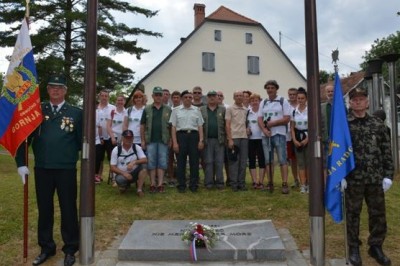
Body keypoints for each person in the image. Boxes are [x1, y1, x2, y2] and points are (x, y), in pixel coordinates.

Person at [16, 75, 81, 266]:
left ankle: (70, 248)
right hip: (43, 168)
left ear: (65, 91)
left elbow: (79, 141)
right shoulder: (36, 111)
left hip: (66, 169)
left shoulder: (76, 113)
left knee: (68, 209)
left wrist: (67, 155)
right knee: (45, 210)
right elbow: (24, 137)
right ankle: (46, 248)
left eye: (60, 87)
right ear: (47, 90)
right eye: (52, 87)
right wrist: (21, 162)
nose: (56, 90)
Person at [343, 87, 394, 266]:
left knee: (378, 214)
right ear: (350, 102)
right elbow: (336, 150)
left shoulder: (378, 125)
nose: (358, 102)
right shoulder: (344, 125)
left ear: (367, 102)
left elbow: (386, 151)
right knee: (353, 214)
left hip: (374, 178)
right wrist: (339, 174)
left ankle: (376, 246)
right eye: (354, 99)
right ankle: (354, 248)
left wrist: (388, 175)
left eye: (361, 99)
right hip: (353, 178)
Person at [257, 80, 291, 194]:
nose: (270, 90)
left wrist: (273, 123)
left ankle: (285, 183)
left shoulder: (283, 101)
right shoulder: (263, 102)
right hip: (266, 135)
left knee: (282, 159)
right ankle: (270, 182)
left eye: (272, 88)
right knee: (268, 160)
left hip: (279, 134)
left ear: (276, 89)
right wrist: (264, 129)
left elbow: (287, 118)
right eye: (268, 88)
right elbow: (260, 118)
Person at [170, 90, 204, 193]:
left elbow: (200, 126)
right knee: (181, 162)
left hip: (194, 137)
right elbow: (173, 127)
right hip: (181, 136)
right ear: (182, 99)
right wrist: (175, 142)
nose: (188, 99)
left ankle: (194, 185)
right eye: (186, 97)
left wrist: (201, 140)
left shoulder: (197, 110)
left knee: (194, 162)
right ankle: (181, 185)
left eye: (190, 97)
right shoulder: (176, 110)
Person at [140, 86, 171, 193]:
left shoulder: (168, 109)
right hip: (150, 140)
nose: (158, 97)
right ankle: (153, 183)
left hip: (163, 140)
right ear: (153, 96)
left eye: (160, 95)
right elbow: (142, 125)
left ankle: (160, 183)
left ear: (162, 96)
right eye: (156, 95)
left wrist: (170, 139)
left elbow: (171, 126)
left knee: (162, 162)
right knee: (151, 162)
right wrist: (143, 140)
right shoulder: (147, 109)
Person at [200, 90, 226, 189]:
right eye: (210, 96)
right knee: (209, 162)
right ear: (207, 98)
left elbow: (225, 125)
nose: (211, 98)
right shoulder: (202, 109)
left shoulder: (222, 109)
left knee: (219, 162)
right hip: (207, 140)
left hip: (219, 140)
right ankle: (209, 183)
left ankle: (220, 183)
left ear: (216, 97)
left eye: (213, 96)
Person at [110, 130, 147, 196]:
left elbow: (145, 159)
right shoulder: (116, 150)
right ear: (122, 138)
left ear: (133, 138)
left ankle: (139, 190)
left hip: (134, 173)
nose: (128, 140)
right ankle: (124, 186)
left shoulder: (136, 147)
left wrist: (134, 162)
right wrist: (124, 173)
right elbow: (112, 167)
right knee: (120, 180)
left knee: (144, 166)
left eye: (130, 138)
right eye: (126, 138)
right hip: (121, 174)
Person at [225, 91, 249, 192]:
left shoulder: (246, 110)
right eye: (237, 96)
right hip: (234, 138)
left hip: (244, 137)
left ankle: (241, 183)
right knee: (234, 161)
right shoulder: (230, 109)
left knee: (243, 162)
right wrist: (230, 139)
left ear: (243, 98)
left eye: (241, 96)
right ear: (234, 97)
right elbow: (227, 125)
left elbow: (246, 123)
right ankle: (234, 184)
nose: (239, 97)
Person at [290, 88, 308, 193]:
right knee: (301, 163)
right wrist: (294, 140)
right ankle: (302, 185)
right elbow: (292, 127)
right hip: (297, 138)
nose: (300, 100)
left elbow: (313, 127)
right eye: (299, 98)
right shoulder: (293, 111)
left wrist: (307, 139)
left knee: (308, 163)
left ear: (306, 99)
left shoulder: (310, 110)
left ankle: (309, 184)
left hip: (308, 138)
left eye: (302, 98)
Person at [95, 89, 115, 182]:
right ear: (99, 96)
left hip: (109, 136)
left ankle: (112, 177)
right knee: (99, 157)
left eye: (106, 96)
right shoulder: (95, 108)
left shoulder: (112, 108)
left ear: (108, 97)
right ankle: (98, 176)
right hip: (98, 137)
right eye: (102, 96)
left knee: (111, 157)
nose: (104, 98)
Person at [246, 93, 266, 189]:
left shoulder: (263, 112)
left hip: (262, 139)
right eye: (252, 100)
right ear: (250, 102)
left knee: (262, 160)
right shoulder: (247, 112)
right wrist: (246, 129)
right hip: (251, 140)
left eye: (256, 100)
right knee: (252, 160)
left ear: (259, 101)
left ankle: (261, 182)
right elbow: (245, 124)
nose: (254, 102)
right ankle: (254, 181)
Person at [286, 87, 299, 188]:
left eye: (294, 94)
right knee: (292, 159)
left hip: (300, 135)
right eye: (290, 94)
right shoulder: (286, 106)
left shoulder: (302, 105)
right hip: (288, 136)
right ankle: (296, 179)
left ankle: (305, 179)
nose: (292, 96)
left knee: (302, 159)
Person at [321, 84, 334, 176]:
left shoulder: (341, 107)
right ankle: (326, 185)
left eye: (332, 91)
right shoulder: (321, 107)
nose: (330, 93)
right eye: (328, 91)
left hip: (338, 140)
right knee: (326, 164)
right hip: (326, 139)